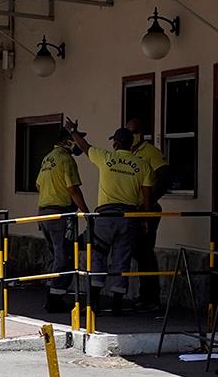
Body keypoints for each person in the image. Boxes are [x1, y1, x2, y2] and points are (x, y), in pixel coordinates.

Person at [66, 118, 153, 316]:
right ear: (131, 144)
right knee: (122, 260)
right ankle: (116, 305)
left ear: (115, 144)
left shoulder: (105, 157)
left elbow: (84, 146)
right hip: (128, 218)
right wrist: (146, 221)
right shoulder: (143, 166)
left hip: (105, 217)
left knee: (98, 255)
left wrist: (72, 131)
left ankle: (94, 302)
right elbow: (147, 199)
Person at [35, 127, 90, 313]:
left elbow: (38, 184)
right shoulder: (67, 159)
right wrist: (87, 213)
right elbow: (73, 189)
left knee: (56, 254)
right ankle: (55, 298)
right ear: (67, 141)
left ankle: (53, 294)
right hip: (60, 214)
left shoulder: (48, 158)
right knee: (64, 256)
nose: (79, 145)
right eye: (75, 139)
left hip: (44, 213)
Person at [126, 118, 169, 312]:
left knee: (145, 252)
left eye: (134, 131)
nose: (132, 135)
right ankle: (145, 295)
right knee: (138, 252)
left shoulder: (151, 152)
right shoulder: (129, 153)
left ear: (141, 133)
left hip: (147, 209)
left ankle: (151, 297)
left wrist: (148, 202)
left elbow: (164, 177)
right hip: (133, 210)